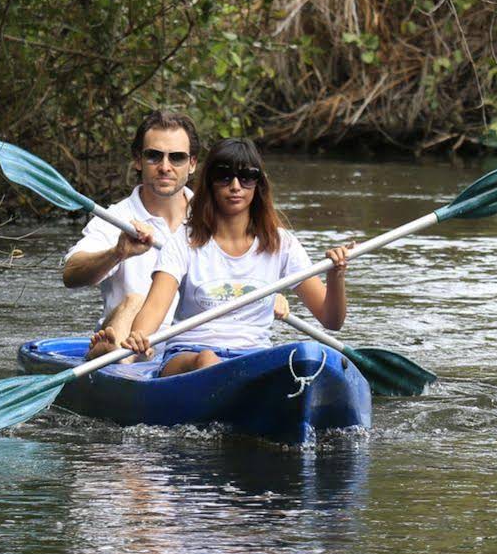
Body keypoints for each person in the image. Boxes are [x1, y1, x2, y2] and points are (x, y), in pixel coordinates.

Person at [106, 138, 352, 377]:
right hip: (188, 355)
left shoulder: (281, 244)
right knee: (207, 360)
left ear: (258, 184)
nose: (235, 186)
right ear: (210, 183)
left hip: (253, 356)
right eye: (224, 176)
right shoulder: (183, 241)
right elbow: (154, 308)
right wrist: (139, 335)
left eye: (246, 177)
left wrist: (336, 275)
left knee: (303, 355)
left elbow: (332, 320)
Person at [64, 109, 200, 348]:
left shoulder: (214, 219)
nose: (165, 166)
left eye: (176, 157)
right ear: (138, 160)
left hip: (194, 347)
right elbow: (71, 275)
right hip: (130, 343)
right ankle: (107, 352)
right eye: (154, 156)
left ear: (192, 164)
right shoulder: (115, 218)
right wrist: (117, 253)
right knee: (135, 300)